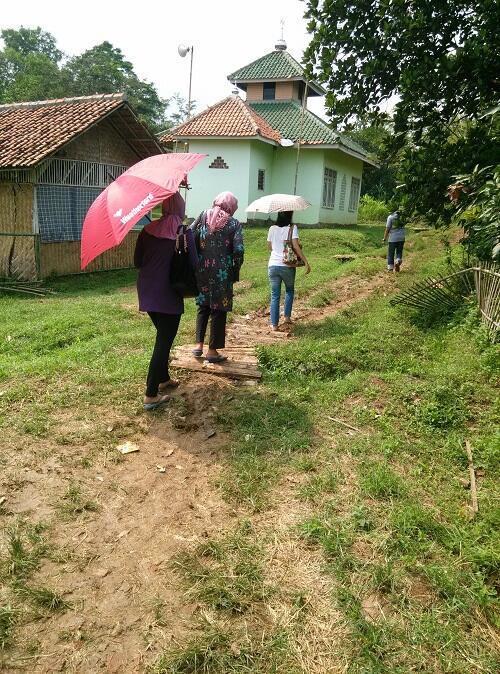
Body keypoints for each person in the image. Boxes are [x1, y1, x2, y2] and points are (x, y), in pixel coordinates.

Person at [134, 192, 189, 410]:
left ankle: (164, 379)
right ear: (180, 209)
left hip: (147, 290)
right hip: (169, 292)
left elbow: (137, 262)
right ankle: (150, 394)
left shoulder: (147, 231)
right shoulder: (183, 233)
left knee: (163, 335)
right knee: (163, 341)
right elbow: (192, 263)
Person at [190, 191, 244, 362]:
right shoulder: (234, 224)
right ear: (232, 207)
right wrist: (235, 270)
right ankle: (212, 351)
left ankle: (198, 345)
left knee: (203, 305)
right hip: (222, 273)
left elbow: (189, 234)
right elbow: (239, 250)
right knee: (219, 309)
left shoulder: (203, 215)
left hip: (202, 270)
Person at [267, 211, 310, 331]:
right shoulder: (292, 228)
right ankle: (286, 318)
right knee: (289, 290)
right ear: (290, 215)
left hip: (273, 265)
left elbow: (269, 247)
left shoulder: (272, 228)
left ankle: (274, 325)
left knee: (275, 294)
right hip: (287, 265)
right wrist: (305, 261)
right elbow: (295, 246)